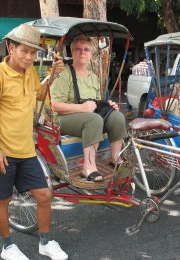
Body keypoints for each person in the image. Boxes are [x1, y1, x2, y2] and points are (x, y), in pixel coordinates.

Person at [0, 24, 68, 260]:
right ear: (11, 47)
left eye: (33, 53)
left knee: (45, 194)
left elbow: (38, 95)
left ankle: (45, 242)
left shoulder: (29, 72)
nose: (29, 57)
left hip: (26, 148)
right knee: (3, 200)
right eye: (24, 51)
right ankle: (7, 246)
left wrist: (53, 75)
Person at [50, 35, 127, 182]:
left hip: (88, 117)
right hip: (63, 119)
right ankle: (88, 167)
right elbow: (54, 105)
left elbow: (96, 103)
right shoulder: (65, 74)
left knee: (117, 117)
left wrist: (108, 106)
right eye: (78, 49)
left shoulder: (93, 77)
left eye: (86, 49)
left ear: (91, 54)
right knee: (94, 119)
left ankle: (114, 157)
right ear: (72, 53)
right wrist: (82, 107)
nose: (82, 52)